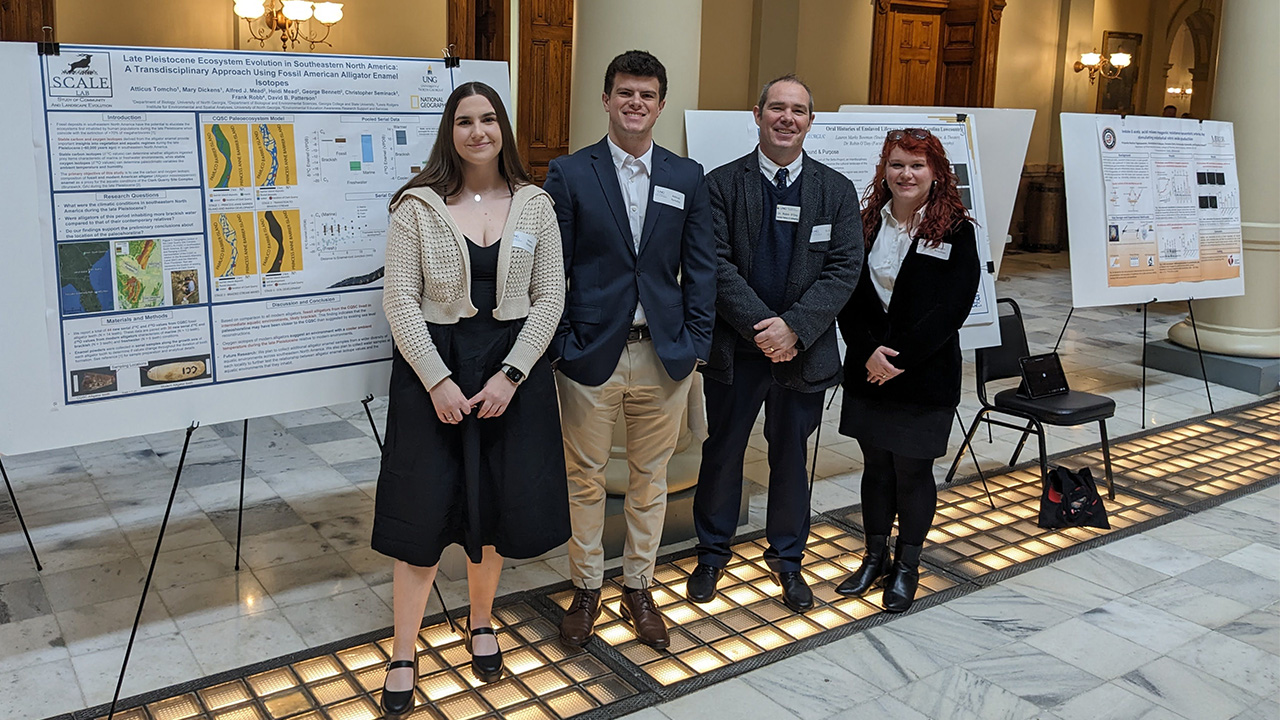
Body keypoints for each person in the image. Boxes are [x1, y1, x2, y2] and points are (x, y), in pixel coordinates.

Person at [372, 81, 568, 715]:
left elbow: (550, 299)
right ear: (448, 132)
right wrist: (437, 380)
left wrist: (510, 376)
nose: (478, 131)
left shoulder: (536, 204)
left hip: (511, 377)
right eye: (464, 121)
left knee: (494, 511)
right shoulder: (415, 207)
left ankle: (480, 620)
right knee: (421, 513)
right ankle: (405, 650)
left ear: (503, 128)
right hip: (433, 375)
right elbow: (400, 301)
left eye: (488, 120)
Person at [543, 50, 717, 649]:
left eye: (646, 94)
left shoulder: (686, 176)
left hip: (663, 354)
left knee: (651, 478)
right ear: (606, 99)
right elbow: (553, 269)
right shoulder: (570, 173)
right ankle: (587, 585)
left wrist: (695, 345)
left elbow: (701, 270)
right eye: (625, 93)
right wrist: (562, 345)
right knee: (585, 477)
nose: (635, 103)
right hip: (590, 354)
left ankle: (638, 585)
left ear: (661, 104)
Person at [687, 75, 862, 612]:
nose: (787, 118)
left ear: (812, 120)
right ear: (757, 114)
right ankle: (712, 552)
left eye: (799, 110)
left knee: (791, 456)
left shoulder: (835, 190)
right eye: (777, 108)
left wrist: (795, 329)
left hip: (802, 354)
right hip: (736, 353)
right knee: (723, 453)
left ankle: (788, 560)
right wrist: (765, 327)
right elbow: (713, 265)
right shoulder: (719, 184)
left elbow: (843, 268)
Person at [835, 128, 980, 614]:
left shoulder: (956, 230)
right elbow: (847, 296)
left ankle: (906, 567)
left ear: (936, 173)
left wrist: (895, 359)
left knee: (912, 472)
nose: (906, 174)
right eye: (897, 164)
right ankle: (873, 558)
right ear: (884, 169)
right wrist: (868, 350)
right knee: (876, 468)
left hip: (922, 377)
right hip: (867, 371)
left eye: (917, 165)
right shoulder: (864, 225)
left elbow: (950, 309)